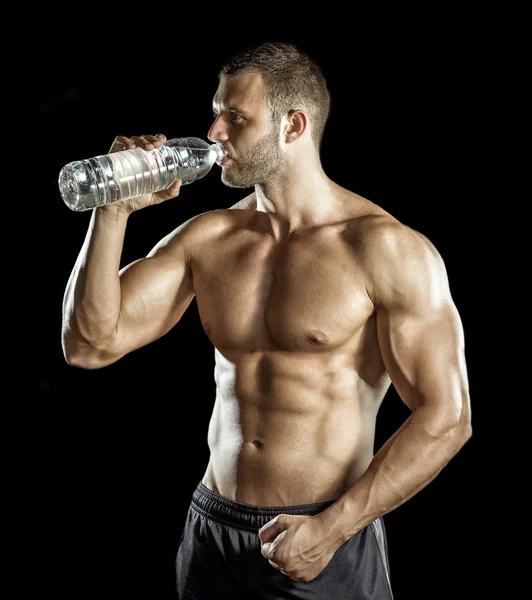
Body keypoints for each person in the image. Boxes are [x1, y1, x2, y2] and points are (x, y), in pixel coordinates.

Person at [61, 41, 472, 599]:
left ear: (293, 125)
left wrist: (332, 530)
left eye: (236, 117)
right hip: (211, 531)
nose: (213, 133)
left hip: (317, 536)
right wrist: (111, 210)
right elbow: (89, 343)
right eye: (216, 111)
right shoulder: (209, 238)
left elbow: (447, 417)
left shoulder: (385, 250)